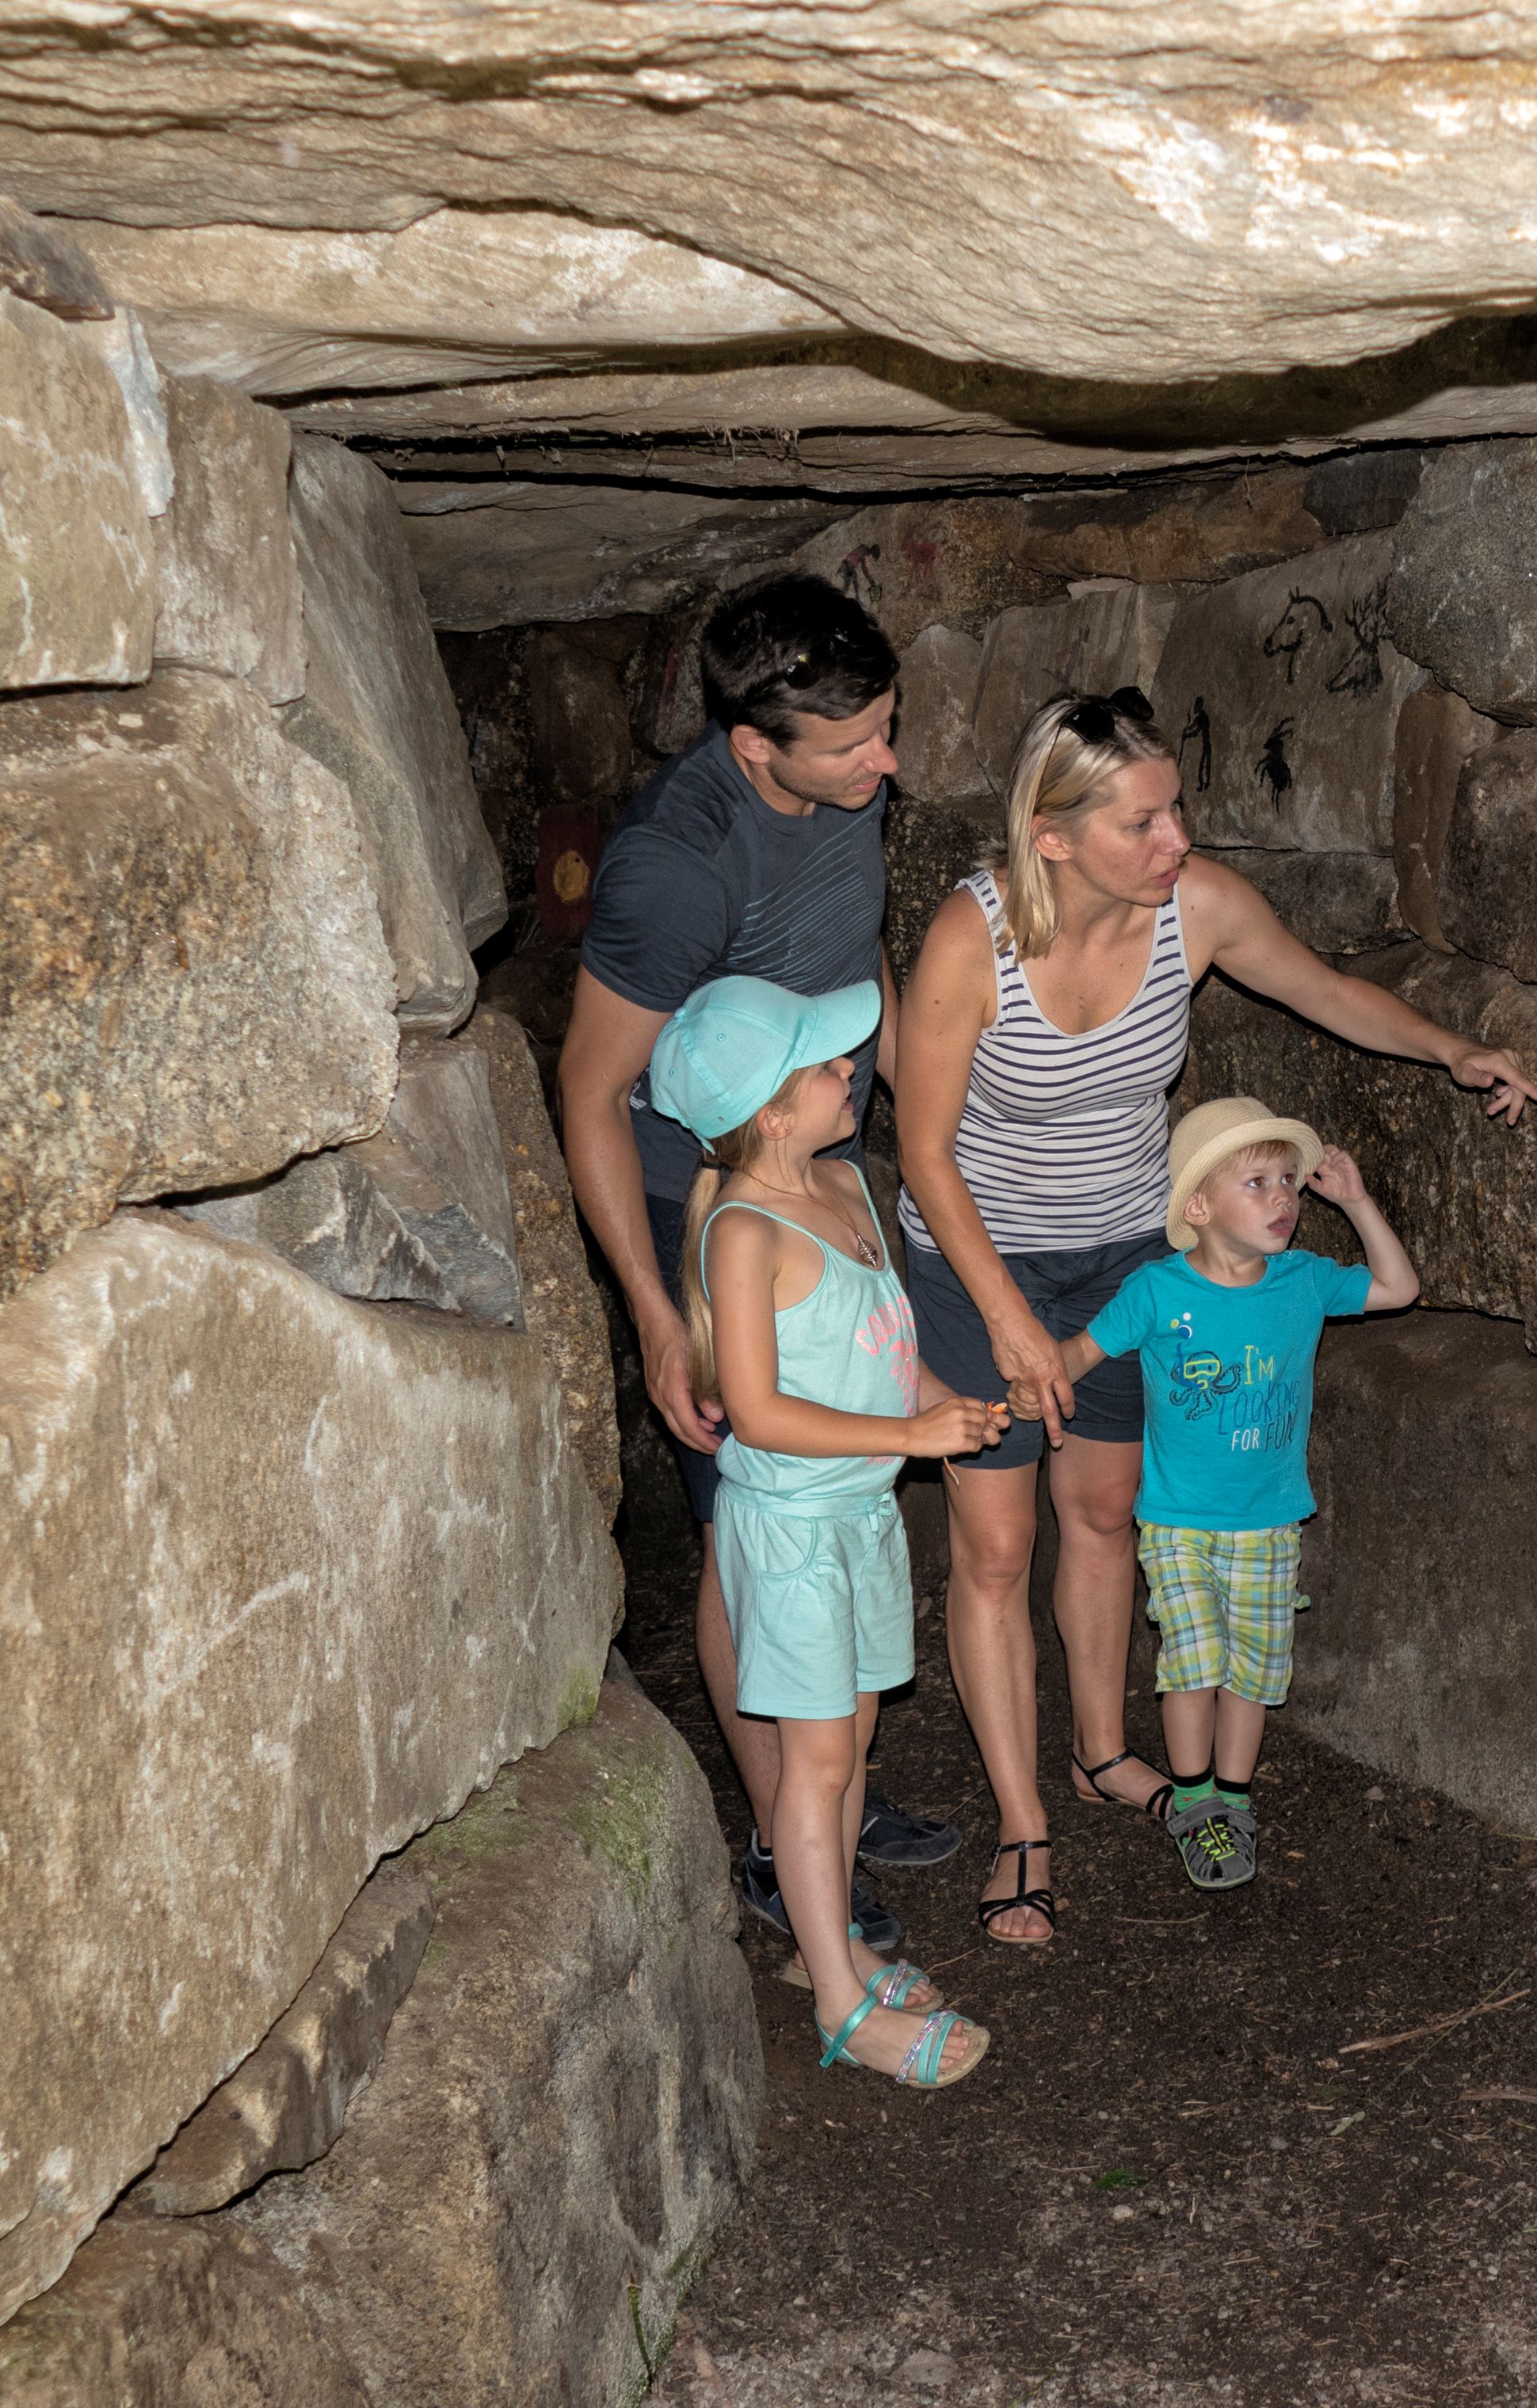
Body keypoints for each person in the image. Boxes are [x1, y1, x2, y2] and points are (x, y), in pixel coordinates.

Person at [897, 688, 1537, 1944]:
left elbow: (1325, 991)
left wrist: (1451, 1050)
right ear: (1052, 836)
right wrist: (1009, 1323)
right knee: (992, 1544)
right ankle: (1023, 1823)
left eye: (1176, 808)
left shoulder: (1195, 911)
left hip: (1128, 1251)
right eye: (1142, 821)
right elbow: (924, 1153)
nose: (1176, 839)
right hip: (976, 1258)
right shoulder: (969, 945)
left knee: (1099, 1508)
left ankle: (1099, 1754)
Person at [558, 572, 958, 1952]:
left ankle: (828, 1786)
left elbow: (863, 955)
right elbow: (593, 1090)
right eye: (855, 748)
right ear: (754, 748)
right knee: (752, 1521)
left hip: (829, 1160)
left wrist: (926, 1138)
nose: (887, 765)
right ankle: (784, 1836)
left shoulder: (847, 781)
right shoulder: (676, 867)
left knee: (840, 1493)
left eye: (888, 731)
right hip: (722, 1203)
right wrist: (664, 1326)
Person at [656, 975, 1001, 2087]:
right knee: (814, 1761)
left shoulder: (846, 1183)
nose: (851, 1068)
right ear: (767, 1109)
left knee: (850, 1746)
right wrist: (912, 1431)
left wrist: (949, 1406)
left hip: (860, 1516)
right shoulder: (746, 1232)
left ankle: (829, 1941)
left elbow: (884, 1349)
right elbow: (754, 1413)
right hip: (797, 1531)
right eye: (823, 1063)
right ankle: (842, 2010)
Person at [1051, 1099, 1417, 1888]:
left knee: (1252, 1669)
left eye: (1288, 1180)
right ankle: (1194, 1803)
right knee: (1192, 1663)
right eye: (1257, 1182)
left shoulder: (1304, 1280)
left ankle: (1235, 1801)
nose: (1283, 1196)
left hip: (1270, 1520)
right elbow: (1079, 1353)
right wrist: (1023, 1387)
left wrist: (1353, 1200)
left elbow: (1398, 1287)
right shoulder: (1156, 1291)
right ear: (1199, 1206)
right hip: (1177, 1518)